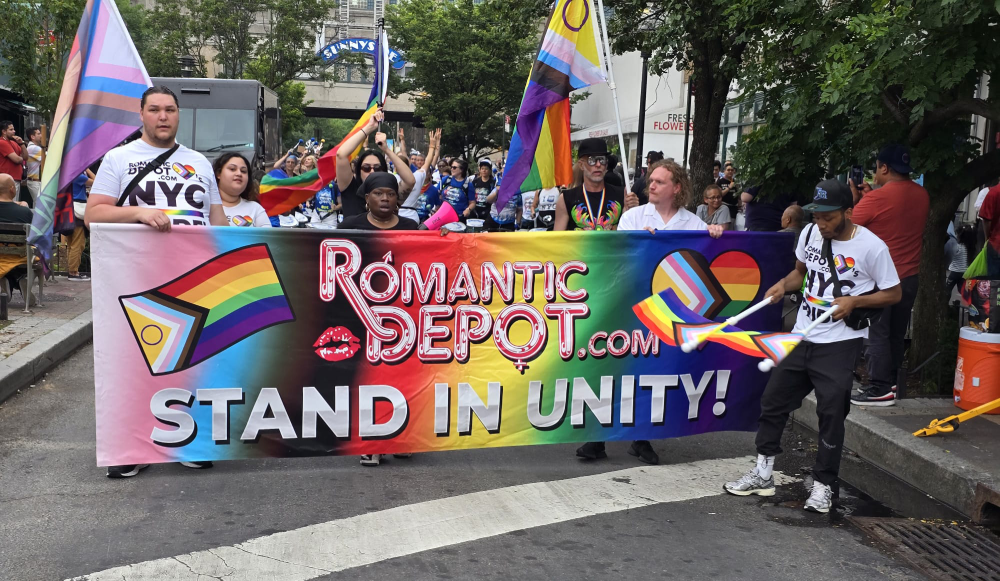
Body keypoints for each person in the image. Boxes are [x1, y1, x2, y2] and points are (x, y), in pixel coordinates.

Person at [724, 179, 901, 513]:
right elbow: (799, 275)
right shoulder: (808, 234)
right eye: (817, 216)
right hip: (803, 334)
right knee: (773, 402)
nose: (822, 224)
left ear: (848, 212)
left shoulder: (872, 247)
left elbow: (893, 293)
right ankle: (763, 473)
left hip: (839, 340)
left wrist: (855, 301)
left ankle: (823, 485)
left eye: (829, 217)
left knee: (831, 411)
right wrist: (780, 285)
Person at [86, 86, 226, 477]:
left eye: (169, 110)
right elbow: (93, 214)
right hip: (135, 275)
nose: (163, 116)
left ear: (178, 115)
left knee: (192, 361)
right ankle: (130, 448)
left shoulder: (199, 162)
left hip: (192, 277)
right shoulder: (119, 159)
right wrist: (140, 213)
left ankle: (188, 440)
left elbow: (217, 221)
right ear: (141, 115)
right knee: (133, 362)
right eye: (154, 110)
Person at [577, 160, 724, 465]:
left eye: (659, 181)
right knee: (616, 370)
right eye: (651, 181)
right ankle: (599, 436)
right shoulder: (632, 218)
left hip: (669, 313)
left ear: (677, 188)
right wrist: (636, 242)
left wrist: (716, 233)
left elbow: (706, 261)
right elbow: (615, 259)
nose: (651, 185)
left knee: (651, 373)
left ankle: (640, 437)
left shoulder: (693, 225)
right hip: (630, 306)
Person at [849, 144, 929, 406]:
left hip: (881, 279)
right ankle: (893, 382)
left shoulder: (874, 199)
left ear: (884, 167)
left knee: (877, 333)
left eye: (876, 167)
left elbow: (850, 227)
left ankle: (879, 387)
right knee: (896, 333)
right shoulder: (922, 194)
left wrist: (858, 199)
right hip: (909, 277)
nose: (874, 172)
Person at [335, 109, 415, 219]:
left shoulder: (390, 194)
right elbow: (341, 155)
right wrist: (370, 127)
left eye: (377, 168)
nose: (372, 171)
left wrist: (387, 149)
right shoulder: (349, 188)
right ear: (359, 170)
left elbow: (410, 181)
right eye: (366, 168)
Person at [555, 138, 635, 231]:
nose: (598, 164)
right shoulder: (566, 198)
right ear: (581, 165)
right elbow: (557, 240)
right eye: (592, 160)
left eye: (602, 160)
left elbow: (632, 236)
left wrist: (632, 210)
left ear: (606, 165)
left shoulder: (622, 195)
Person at [340, 173, 419, 232]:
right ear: (367, 198)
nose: (385, 198)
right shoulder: (349, 226)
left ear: (396, 198)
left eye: (391, 194)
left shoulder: (410, 227)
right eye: (378, 193)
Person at [214, 152, 271, 227]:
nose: (239, 174)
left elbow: (267, 238)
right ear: (218, 174)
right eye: (232, 169)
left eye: (243, 171)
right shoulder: (203, 206)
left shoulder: (255, 209)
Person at [395, 128, 440, 223]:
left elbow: (427, 162)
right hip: (412, 218)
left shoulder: (392, 178)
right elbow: (427, 162)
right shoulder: (417, 177)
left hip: (396, 217)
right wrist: (432, 147)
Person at [64, 171, 94, 280]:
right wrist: (89, 169)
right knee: (78, 242)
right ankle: (73, 272)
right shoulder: (78, 175)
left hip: (68, 209)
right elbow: (96, 181)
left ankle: (71, 270)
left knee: (71, 242)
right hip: (78, 210)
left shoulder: (67, 173)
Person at [977, 180, 1000, 279]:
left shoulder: (994, 192)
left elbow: (986, 220)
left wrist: (987, 238)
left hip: (996, 244)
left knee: (994, 283)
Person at [946, 225, 975, 299]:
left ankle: (945, 303)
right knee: (961, 289)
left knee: (948, 288)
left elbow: (952, 255)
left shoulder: (958, 246)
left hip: (954, 272)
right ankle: (968, 303)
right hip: (964, 272)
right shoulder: (970, 248)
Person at [0, 121, 25, 201]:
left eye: (13, 129)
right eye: (11, 129)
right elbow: (17, 160)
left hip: (15, 178)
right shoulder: (2, 142)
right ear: (4, 131)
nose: (14, 131)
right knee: (11, 203)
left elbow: (26, 157)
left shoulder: (14, 143)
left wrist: (22, 144)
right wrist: (20, 158)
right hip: (7, 179)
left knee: (14, 202)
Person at [24, 127, 43, 206]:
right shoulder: (33, 148)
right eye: (38, 134)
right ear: (32, 137)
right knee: (39, 205)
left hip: (36, 181)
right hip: (35, 181)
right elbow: (49, 157)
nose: (41, 135)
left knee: (39, 204)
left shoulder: (34, 148)